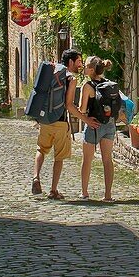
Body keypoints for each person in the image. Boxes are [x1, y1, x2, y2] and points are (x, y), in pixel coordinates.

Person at [33, 49, 99, 199]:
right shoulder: (70, 78)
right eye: (79, 61)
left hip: (45, 120)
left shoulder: (51, 72)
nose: (81, 65)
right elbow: (69, 105)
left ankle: (36, 177)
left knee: (41, 149)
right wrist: (86, 119)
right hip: (61, 122)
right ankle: (53, 190)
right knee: (59, 157)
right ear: (70, 62)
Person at [78, 56, 123, 202]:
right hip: (110, 125)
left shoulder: (88, 86)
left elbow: (83, 109)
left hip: (94, 125)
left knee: (87, 160)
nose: (83, 69)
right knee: (107, 160)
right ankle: (108, 195)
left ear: (91, 69)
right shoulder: (109, 85)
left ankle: (84, 192)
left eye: (85, 66)